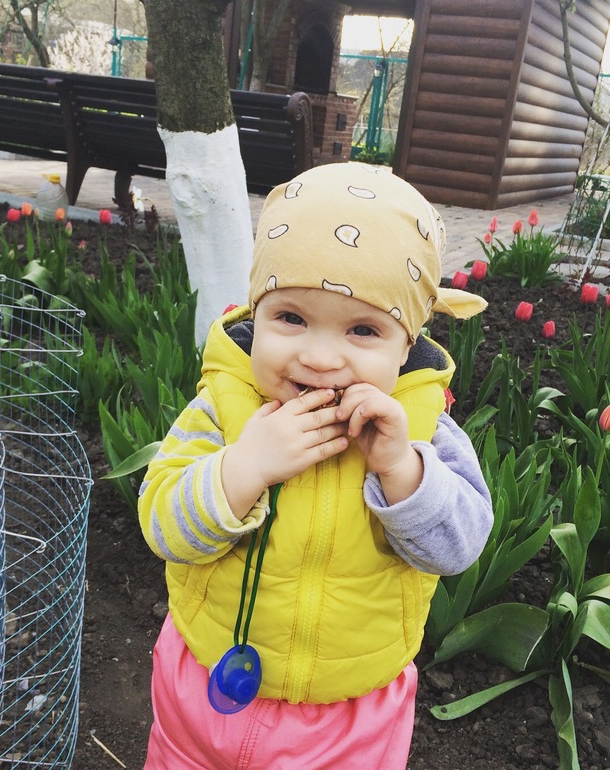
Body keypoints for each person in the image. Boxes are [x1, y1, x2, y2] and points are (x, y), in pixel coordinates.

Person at [139, 162, 493, 769]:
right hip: (205, 686)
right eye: (292, 318)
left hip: (347, 716)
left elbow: (457, 548)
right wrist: (243, 468)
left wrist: (401, 470)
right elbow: (164, 528)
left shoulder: (423, 429)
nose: (322, 357)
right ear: (256, 315)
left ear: (406, 345)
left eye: (363, 330)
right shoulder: (225, 409)